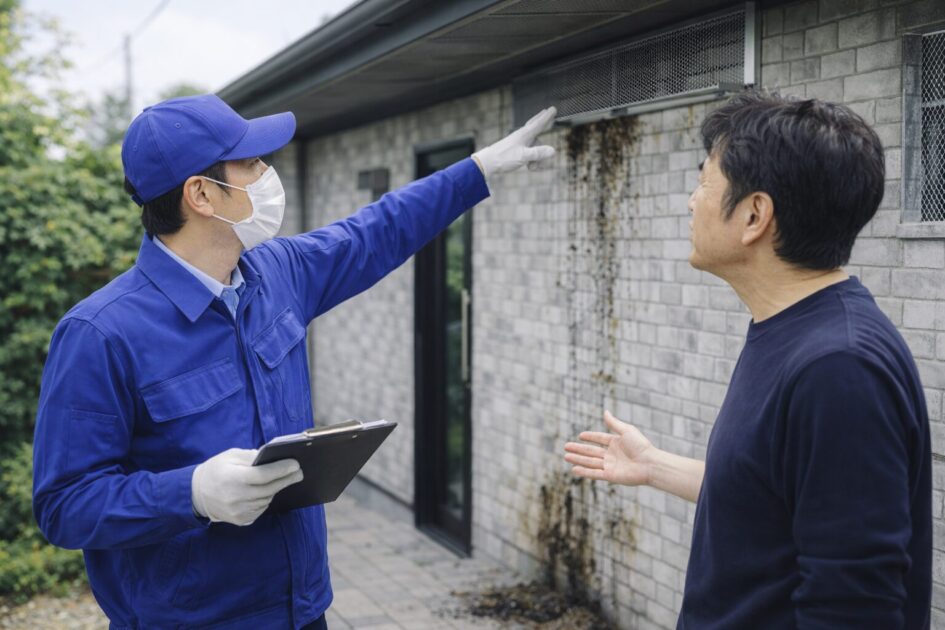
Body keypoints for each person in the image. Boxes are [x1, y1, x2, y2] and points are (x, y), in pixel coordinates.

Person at [32, 93, 556, 628]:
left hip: (304, 610)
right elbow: (65, 507)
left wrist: (477, 171)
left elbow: (376, 231)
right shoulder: (100, 333)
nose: (267, 175)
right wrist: (191, 494)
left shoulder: (277, 273)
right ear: (202, 194)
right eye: (253, 163)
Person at [564, 91, 931, 628]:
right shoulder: (790, 330)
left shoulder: (839, 368)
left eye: (703, 183)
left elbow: (855, 606)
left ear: (755, 214)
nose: (692, 202)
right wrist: (654, 467)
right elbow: (778, 498)